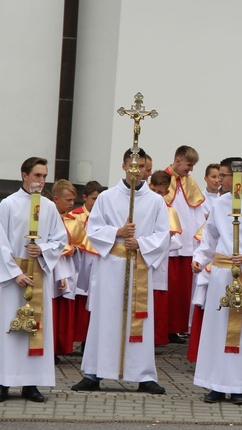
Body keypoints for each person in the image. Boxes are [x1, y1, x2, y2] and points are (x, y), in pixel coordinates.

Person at [72, 148, 169, 394]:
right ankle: (94, 372)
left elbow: (162, 235)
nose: (136, 172)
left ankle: (144, 375)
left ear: (146, 168)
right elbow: (92, 229)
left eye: (141, 167)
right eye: (132, 166)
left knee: (139, 319)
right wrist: (117, 232)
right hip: (111, 266)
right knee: (106, 317)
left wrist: (140, 243)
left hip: (138, 264)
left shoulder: (156, 201)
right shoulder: (106, 198)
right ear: (124, 166)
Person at [191, 157, 242, 405]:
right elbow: (210, 238)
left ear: (237, 178)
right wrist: (199, 257)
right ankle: (215, 384)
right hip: (220, 275)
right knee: (217, 330)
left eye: (224, 175)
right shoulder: (219, 204)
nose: (219, 179)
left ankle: (237, 385)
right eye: (218, 175)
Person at [0, 157, 68, 403]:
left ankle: (31, 384)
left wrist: (43, 249)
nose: (41, 181)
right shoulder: (8, 205)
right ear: (24, 175)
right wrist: (15, 273)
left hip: (39, 275)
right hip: (15, 275)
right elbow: (0, 242)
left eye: (44, 176)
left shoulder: (48, 206)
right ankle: (3, 382)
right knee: (11, 330)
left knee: (36, 330)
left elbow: (60, 238)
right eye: (37, 175)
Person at [164, 145, 206, 343]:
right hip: (170, 246)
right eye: (188, 165)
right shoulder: (162, 180)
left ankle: (176, 328)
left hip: (188, 246)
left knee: (182, 292)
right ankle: (163, 328)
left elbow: (197, 211)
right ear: (178, 160)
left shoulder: (190, 183)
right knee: (168, 290)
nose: (190, 170)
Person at [148, 170, 183, 346]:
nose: (156, 196)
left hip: (159, 262)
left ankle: (155, 339)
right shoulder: (141, 207)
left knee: (156, 302)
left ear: (167, 192)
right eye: (154, 191)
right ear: (149, 186)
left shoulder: (170, 212)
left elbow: (176, 241)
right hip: (142, 259)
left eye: (160, 193)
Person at [70, 180, 103, 352]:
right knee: (80, 304)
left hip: (96, 262)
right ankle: (78, 339)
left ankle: (89, 342)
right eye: (93, 199)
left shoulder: (105, 217)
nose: (96, 203)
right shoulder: (74, 216)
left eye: (99, 199)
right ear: (84, 198)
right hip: (78, 264)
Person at [52, 179, 82, 361]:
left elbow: (83, 245)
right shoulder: (46, 220)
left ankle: (60, 346)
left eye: (73, 200)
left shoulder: (74, 222)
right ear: (56, 199)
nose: (72, 204)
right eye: (68, 200)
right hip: (51, 267)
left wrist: (74, 249)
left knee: (63, 310)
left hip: (68, 268)